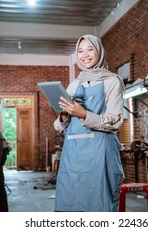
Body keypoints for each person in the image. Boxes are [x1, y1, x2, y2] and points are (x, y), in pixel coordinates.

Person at [53, 34, 124, 212]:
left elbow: (114, 121)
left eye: (90, 49)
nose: (85, 54)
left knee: (99, 205)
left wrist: (83, 114)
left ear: (98, 51)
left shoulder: (112, 81)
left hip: (100, 154)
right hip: (73, 155)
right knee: (71, 205)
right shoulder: (74, 84)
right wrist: (63, 117)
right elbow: (61, 126)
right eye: (80, 51)